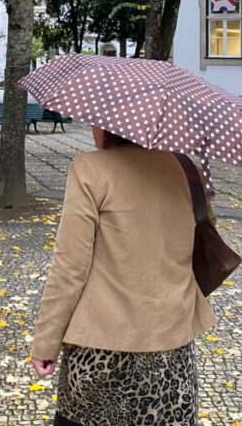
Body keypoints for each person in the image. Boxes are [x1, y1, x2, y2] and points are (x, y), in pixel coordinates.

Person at [31, 126, 216, 426]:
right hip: (171, 353)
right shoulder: (185, 169)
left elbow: (70, 266)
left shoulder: (90, 169)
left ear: (108, 123)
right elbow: (200, 236)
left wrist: (45, 344)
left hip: (101, 350)